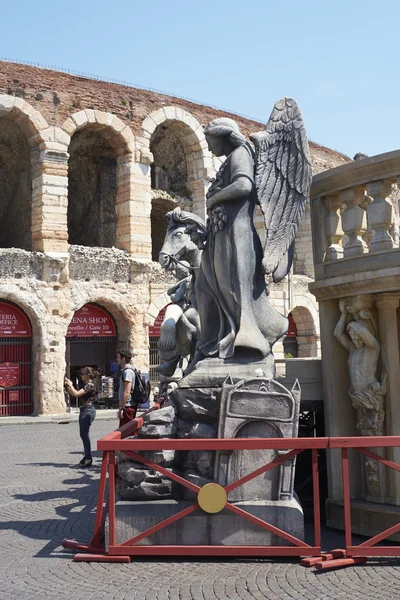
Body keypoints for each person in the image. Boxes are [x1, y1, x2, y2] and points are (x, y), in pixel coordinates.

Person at [194, 118, 287, 360]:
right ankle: (220, 341)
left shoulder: (239, 153)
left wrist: (214, 199)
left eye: (209, 140)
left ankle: (247, 341)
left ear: (222, 136)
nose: (208, 146)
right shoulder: (231, 158)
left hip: (237, 236)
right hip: (224, 233)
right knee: (213, 288)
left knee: (233, 290)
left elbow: (244, 185)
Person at [64, 367, 98, 467]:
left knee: (84, 434)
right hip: (84, 410)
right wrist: (68, 386)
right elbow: (74, 394)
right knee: (83, 434)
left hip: (88, 410)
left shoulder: (90, 385)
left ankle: (88, 457)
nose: (81, 375)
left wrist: (71, 385)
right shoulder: (87, 385)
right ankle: (87, 456)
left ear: (88, 375)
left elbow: (77, 394)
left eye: (83, 373)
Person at [116, 349, 137, 427]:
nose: (116, 359)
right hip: (128, 406)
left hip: (128, 407)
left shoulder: (127, 372)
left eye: (118, 357)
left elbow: (127, 391)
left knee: (125, 433)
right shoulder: (128, 371)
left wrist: (122, 408)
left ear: (123, 358)